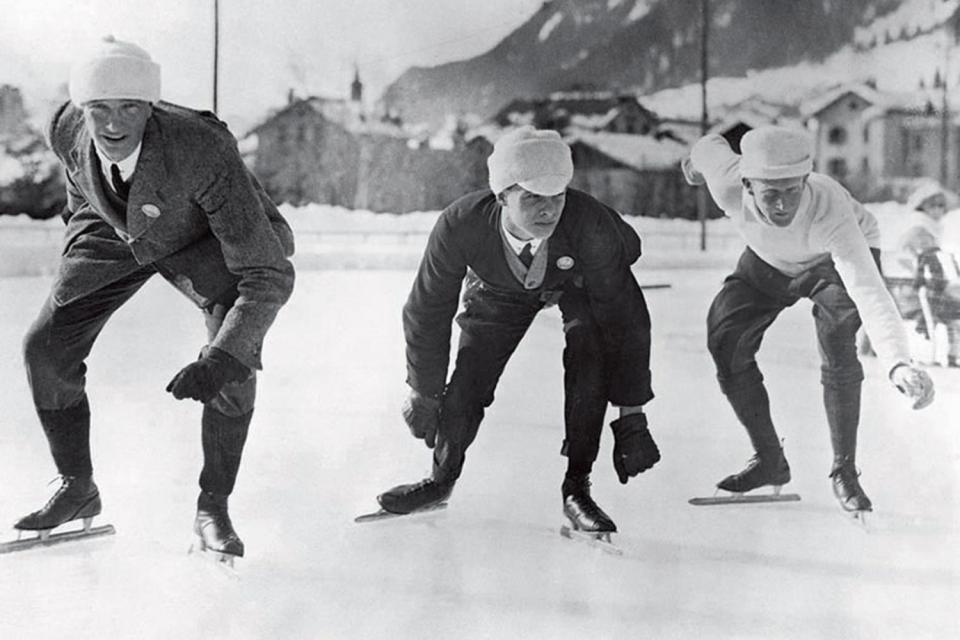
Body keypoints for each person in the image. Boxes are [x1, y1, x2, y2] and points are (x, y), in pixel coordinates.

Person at [13, 36, 295, 560]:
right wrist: (79, 264)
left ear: (151, 107)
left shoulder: (202, 148)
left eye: (131, 108)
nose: (114, 124)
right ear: (81, 109)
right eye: (100, 108)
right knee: (45, 346)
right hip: (114, 229)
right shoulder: (66, 126)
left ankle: (213, 507)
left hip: (207, 238)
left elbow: (267, 272)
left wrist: (224, 357)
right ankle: (77, 486)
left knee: (233, 361)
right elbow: (80, 190)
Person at [375, 127, 660, 535]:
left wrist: (632, 413)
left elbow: (625, 316)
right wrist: (423, 389)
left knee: (589, 354)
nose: (548, 210)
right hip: (500, 288)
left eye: (557, 197)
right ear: (502, 196)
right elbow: (427, 309)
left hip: (577, 278)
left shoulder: (589, 225)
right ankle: (440, 480)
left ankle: (577, 487)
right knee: (468, 381)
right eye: (532, 198)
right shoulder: (460, 225)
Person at [683, 126, 934, 515]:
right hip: (768, 259)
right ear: (747, 185)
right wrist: (693, 165)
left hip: (831, 260)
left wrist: (899, 362)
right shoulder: (727, 184)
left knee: (837, 340)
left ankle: (844, 471)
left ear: (805, 180)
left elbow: (868, 289)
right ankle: (769, 460)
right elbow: (707, 148)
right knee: (724, 337)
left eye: (792, 191)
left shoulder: (829, 207)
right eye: (771, 195)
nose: (783, 206)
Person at [890, 182, 960, 366]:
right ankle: (953, 354)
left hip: (903, 290)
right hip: (915, 293)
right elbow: (920, 262)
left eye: (941, 206)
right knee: (955, 304)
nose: (938, 210)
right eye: (933, 205)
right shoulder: (921, 228)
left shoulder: (920, 227)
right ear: (923, 207)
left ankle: (953, 353)